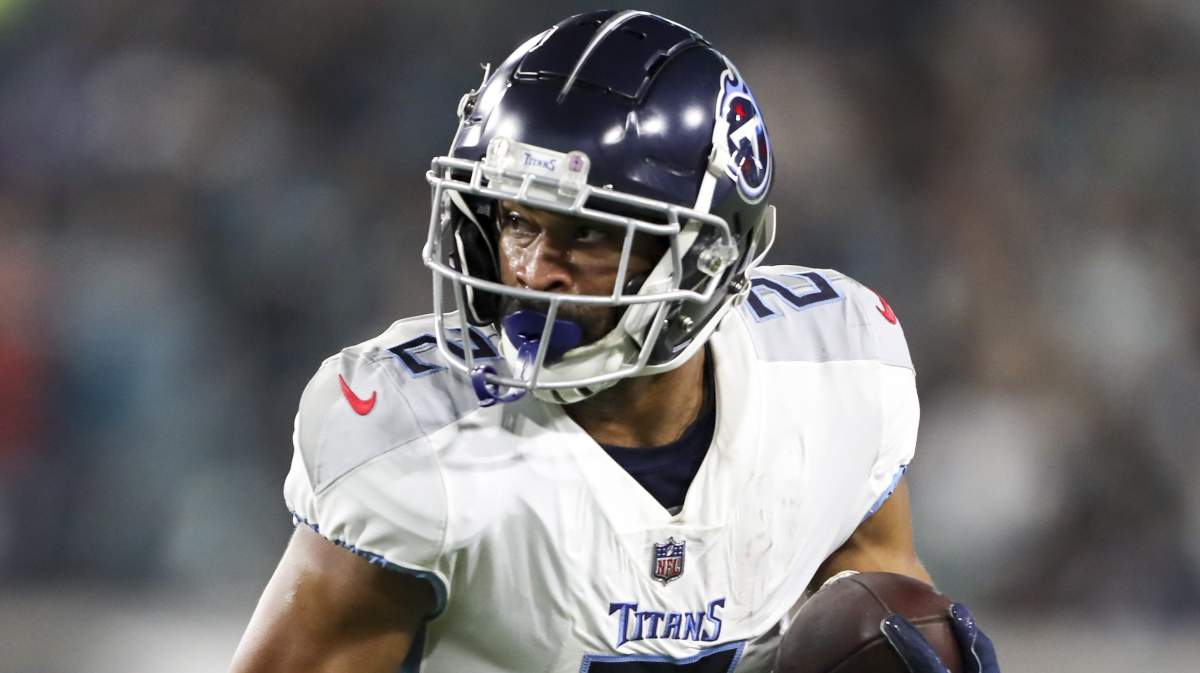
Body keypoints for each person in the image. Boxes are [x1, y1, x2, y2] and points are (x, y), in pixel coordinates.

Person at [230, 10, 998, 673]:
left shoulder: (833, 369)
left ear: (708, 254)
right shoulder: (419, 442)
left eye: (589, 233)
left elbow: (879, 615)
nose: (535, 270)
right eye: (517, 220)